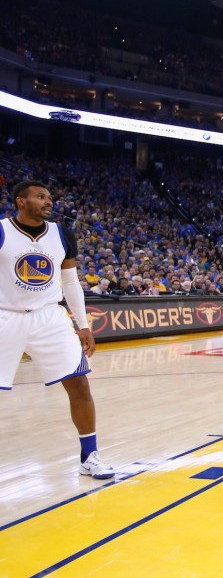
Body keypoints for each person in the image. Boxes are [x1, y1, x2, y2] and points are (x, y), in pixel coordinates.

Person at [0, 181, 114, 479]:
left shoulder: (62, 234)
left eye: (49, 197)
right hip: (5, 316)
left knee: (79, 384)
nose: (48, 202)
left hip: (49, 316)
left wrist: (84, 325)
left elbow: (71, 282)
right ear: (21, 201)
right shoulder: (2, 230)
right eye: (40, 197)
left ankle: (90, 456)